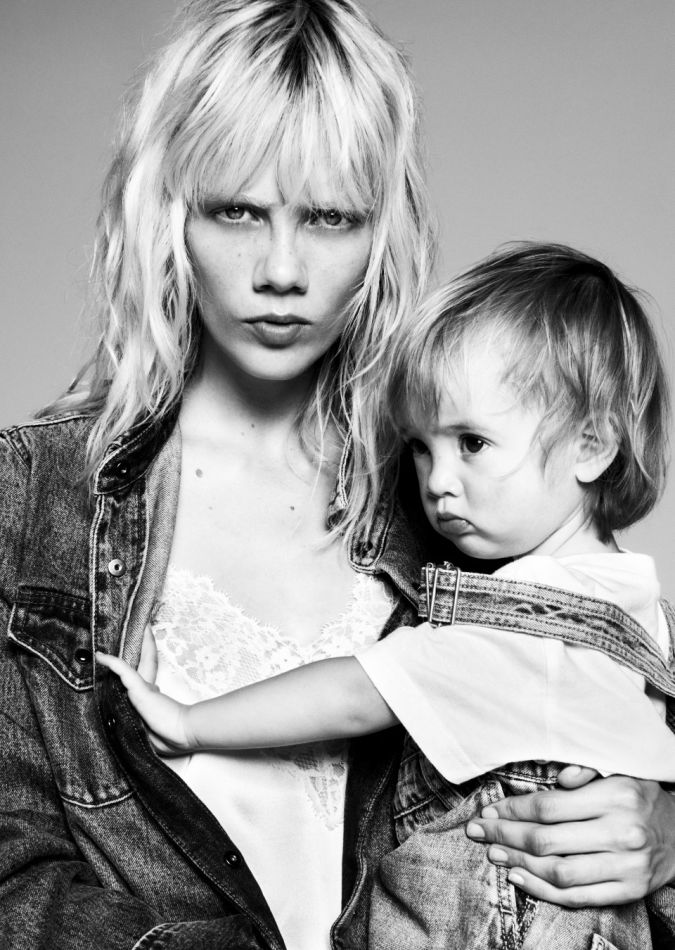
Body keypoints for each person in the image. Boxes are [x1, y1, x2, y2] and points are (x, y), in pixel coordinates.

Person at [1, 0, 673, 945]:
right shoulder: (32, 496)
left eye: (329, 218)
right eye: (237, 210)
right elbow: (12, 871)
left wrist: (662, 837)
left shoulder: (466, 492)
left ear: (382, 230)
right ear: (167, 214)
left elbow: (607, 708)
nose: (281, 269)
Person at [100, 243, 675, 949]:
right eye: (422, 448)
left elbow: (358, 692)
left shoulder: (531, 620)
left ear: (591, 447)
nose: (436, 482)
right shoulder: (643, 614)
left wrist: (190, 723)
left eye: (472, 443)